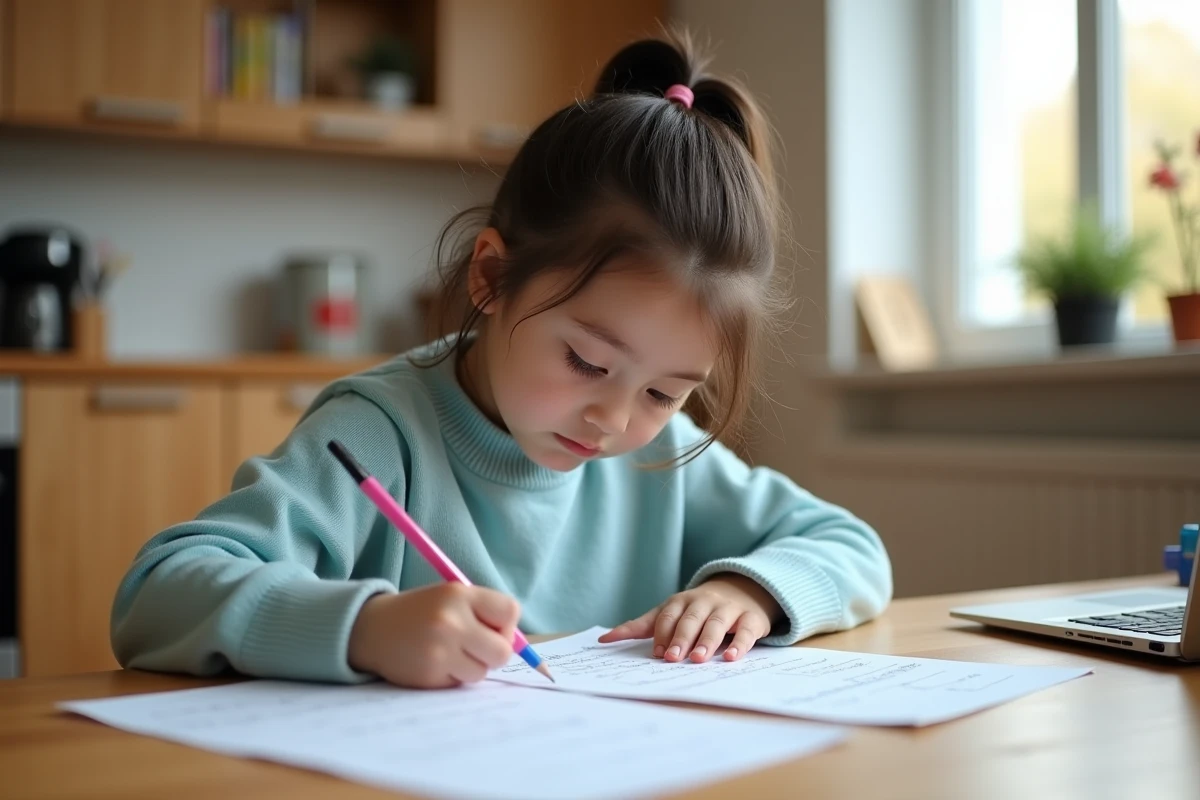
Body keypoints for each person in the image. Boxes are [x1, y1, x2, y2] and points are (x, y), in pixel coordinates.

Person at [111, 31, 892, 690]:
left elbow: (853, 548)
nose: (615, 419)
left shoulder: (658, 450)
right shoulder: (381, 430)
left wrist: (748, 589)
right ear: (491, 278)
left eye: (663, 389)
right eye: (587, 362)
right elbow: (156, 595)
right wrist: (362, 629)